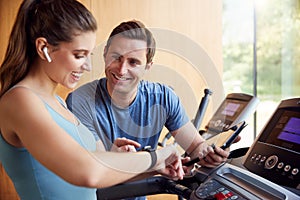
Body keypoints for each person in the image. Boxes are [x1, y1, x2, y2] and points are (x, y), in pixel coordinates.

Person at [0, 1, 185, 200]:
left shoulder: (57, 103)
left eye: (90, 55)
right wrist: (156, 157)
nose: (87, 66)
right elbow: (87, 171)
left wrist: (155, 167)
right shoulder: (20, 100)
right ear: (44, 47)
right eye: (79, 55)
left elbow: (98, 171)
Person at [66, 20, 238, 199]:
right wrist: (155, 162)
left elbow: (196, 146)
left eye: (133, 62)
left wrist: (209, 154)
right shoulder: (80, 102)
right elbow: (101, 174)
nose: (122, 69)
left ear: (148, 66)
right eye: (116, 57)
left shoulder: (163, 97)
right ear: (105, 54)